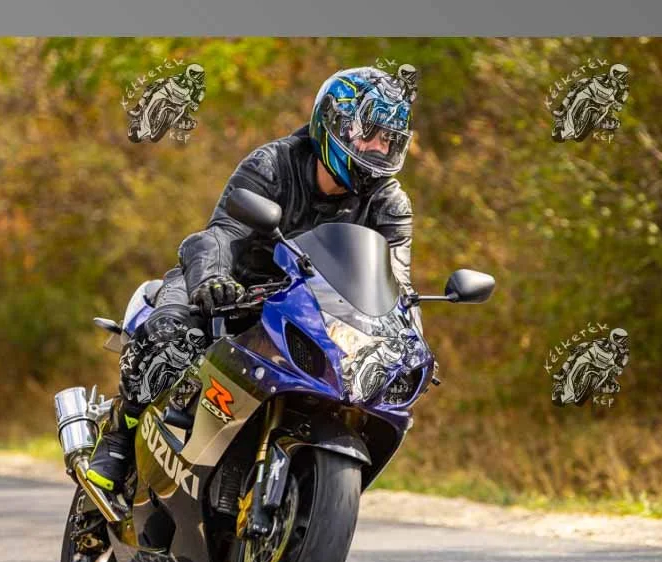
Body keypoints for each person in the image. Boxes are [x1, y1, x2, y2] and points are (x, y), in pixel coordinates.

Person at [86, 64, 421, 505]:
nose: (379, 148)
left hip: (308, 310)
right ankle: (117, 436)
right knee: (170, 334)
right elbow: (222, 234)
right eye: (370, 134)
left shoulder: (389, 202)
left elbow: (396, 283)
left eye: (389, 139)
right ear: (333, 123)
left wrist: (409, 341)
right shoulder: (274, 164)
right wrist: (212, 280)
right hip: (232, 287)